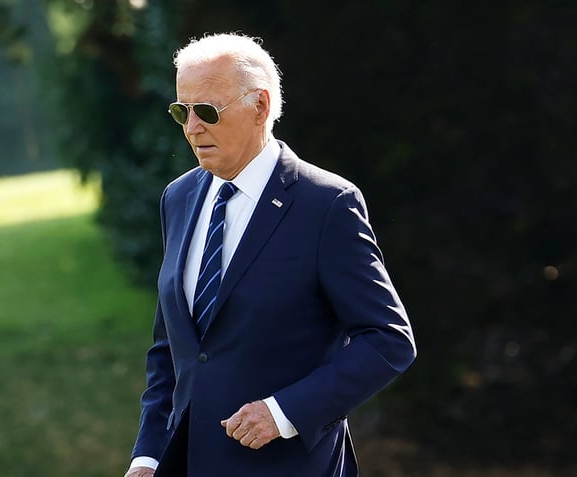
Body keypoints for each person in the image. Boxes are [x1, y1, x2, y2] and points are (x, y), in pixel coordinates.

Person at [125, 32, 417, 477]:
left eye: (207, 111)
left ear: (260, 106)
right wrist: (148, 456)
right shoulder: (178, 197)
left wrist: (283, 413)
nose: (192, 127)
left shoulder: (327, 204)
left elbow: (389, 339)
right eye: (181, 111)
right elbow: (172, 347)